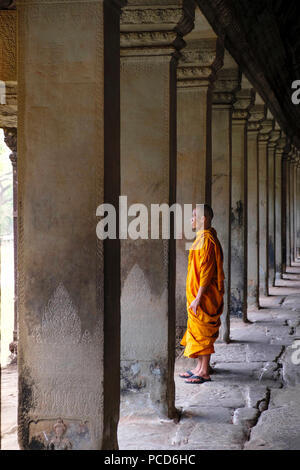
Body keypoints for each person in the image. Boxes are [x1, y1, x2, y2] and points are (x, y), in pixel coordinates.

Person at [179, 204, 225, 384]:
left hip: (204, 296)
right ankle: (199, 367)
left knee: (203, 330)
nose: (191, 220)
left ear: (203, 219)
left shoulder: (206, 240)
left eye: (193, 217)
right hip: (197, 294)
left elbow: (207, 272)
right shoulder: (201, 238)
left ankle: (204, 371)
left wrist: (198, 298)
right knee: (197, 330)